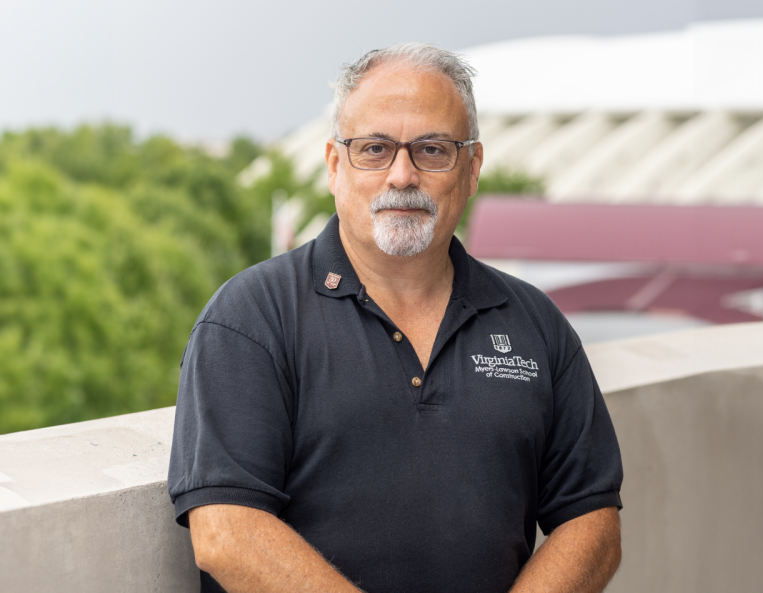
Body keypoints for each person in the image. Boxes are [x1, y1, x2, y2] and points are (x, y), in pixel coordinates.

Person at [168, 43, 623, 593]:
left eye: (432, 150)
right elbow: (226, 532)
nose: (402, 175)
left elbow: (592, 520)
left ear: (472, 168)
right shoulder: (251, 319)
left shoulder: (535, 325)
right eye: (375, 149)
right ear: (336, 166)